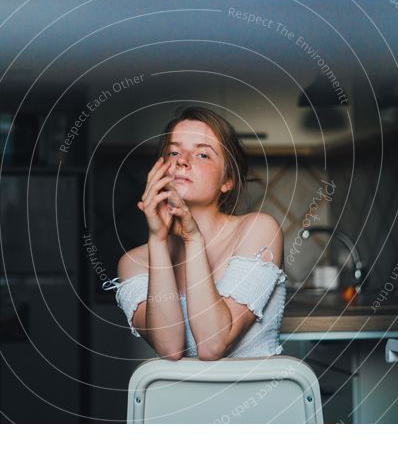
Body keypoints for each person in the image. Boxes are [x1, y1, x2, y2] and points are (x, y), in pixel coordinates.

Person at [102, 107, 287, 360]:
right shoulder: (134, 263)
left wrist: (193, 238)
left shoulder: (258, 229)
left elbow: (213, 345)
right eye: (173, 152)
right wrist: (157, 240)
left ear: (227, 180)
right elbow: (170, 349)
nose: (181, 160)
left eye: (202, 154)